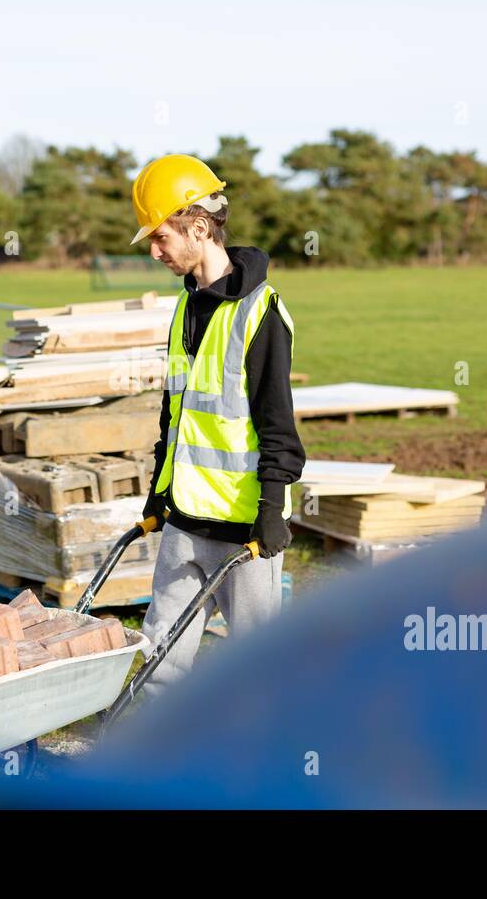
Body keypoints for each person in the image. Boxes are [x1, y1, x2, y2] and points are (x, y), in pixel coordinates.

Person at [129, 153, 305, 699]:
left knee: (257, 667)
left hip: (243, 530)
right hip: (184, 521)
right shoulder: (185, 309)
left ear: (199, 227)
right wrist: (160, 495)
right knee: (159, 655)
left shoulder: (261, 314)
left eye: (161, 238)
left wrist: (271, 510)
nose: (155, 252)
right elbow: (175, 414)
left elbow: (278, 427)